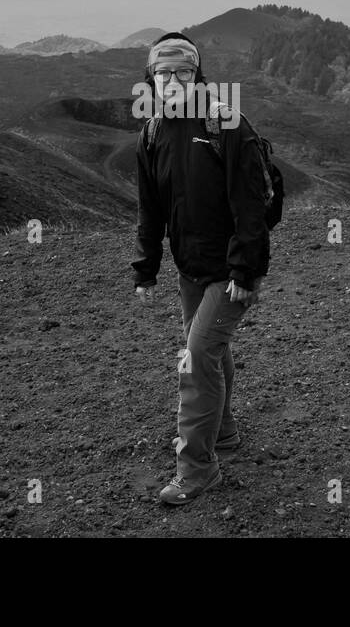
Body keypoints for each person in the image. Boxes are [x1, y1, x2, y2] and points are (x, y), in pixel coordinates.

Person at [131, 32, 270, 505]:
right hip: (189, 266)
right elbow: (149, 209)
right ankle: (224, 434)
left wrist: (246, 272)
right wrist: (146, 268)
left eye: (183, 71)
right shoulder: (151, 132)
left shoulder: (225, 123)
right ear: (151, 77)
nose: (173, 80)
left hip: (231, 269)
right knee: (211, 349)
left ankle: (196, 469)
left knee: (195, 357)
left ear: (197, 74)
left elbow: (251, 205)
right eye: (164, 72)